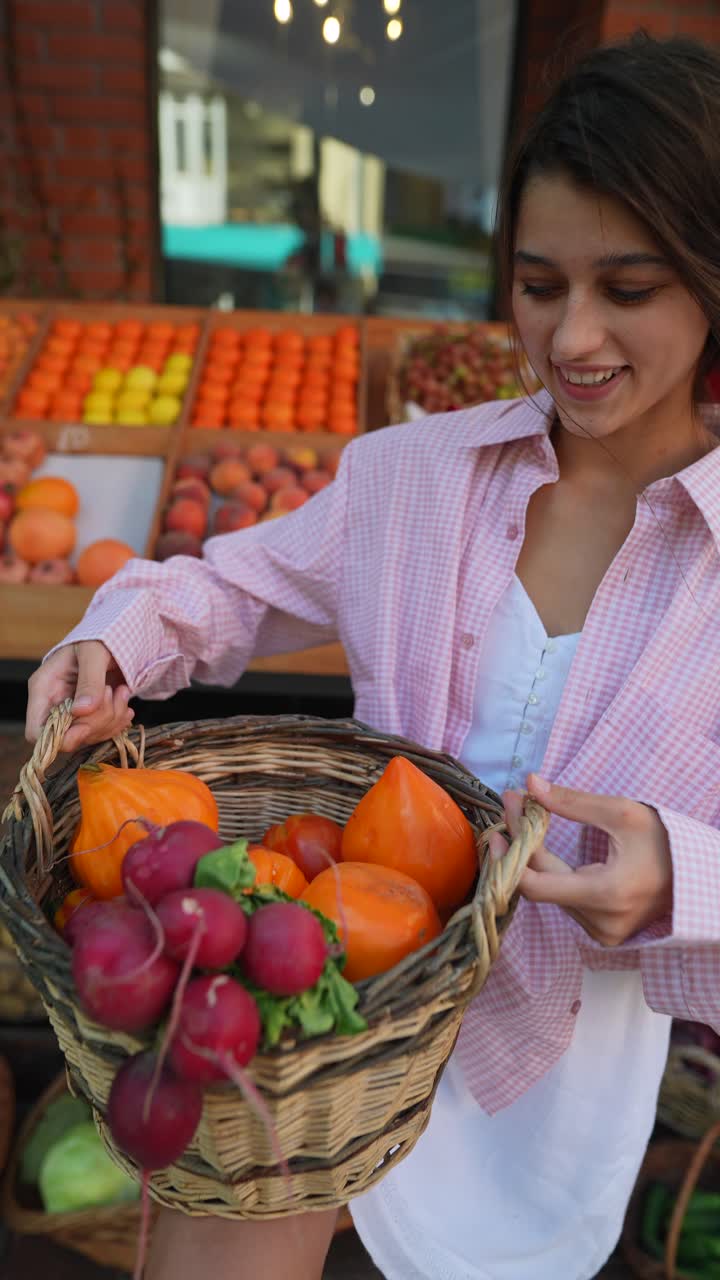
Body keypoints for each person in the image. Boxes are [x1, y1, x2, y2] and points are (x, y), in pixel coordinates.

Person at [24, 32, 720, 1280]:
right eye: (537, 283)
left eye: (629, 287)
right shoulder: (413, 479)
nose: (570, 337)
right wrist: (104, 640)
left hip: (549, 1080)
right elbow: (221, 585)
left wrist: (681, 873)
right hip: (331, 1006)